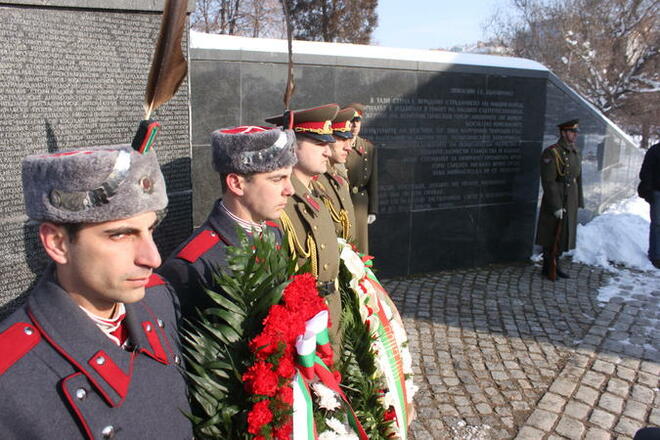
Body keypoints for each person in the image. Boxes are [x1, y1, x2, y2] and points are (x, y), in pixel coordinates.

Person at [0, 145, 192, 439]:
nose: (153, 259)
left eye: (150, 230)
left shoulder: (159, 298)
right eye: (121, 235)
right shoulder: (10, 376)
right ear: (57, 243)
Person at [159, 126, 297, 317]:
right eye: (277, 179)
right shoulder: (191, 264)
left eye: (289, 177)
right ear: (236, 183)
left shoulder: (274, 233)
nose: (290, 190)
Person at [265, 104, 343, 352]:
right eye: (320, 144)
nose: (328, 153)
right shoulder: (280, 206)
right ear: (293, 146)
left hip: (330, 310)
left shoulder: (316, 192)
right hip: (305, 329)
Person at [536, 119, 584, 280]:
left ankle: (556, 262)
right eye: (571, 132)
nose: (574, 135)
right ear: (563, 133)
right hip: (556, 196)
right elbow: (549, 181)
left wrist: (579, 200)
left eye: (575, 132)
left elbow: (578, 177)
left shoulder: (575, 151)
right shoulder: (552, 152)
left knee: (564, 234)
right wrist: (556, 205)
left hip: (570, 198)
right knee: (551, 233)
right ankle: (548, 266)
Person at [313, 106, 358, 241]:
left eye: (349, 140)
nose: (348, 147)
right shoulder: (316, 179)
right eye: (342, 139)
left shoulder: (337, 174)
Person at [345, 102, 378, 255]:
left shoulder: (368, 148)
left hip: (359, 204)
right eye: (351, 121)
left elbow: (373, 181)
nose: (354, 125)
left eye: (357, 121)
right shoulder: (337, 146)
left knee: (360, 250)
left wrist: (373, 209)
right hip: (341, 204)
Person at [638, 141, 660, 269]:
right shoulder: (655, 151)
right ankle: (656, 256)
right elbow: (646, 171)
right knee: (657, 224)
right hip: (657, 192)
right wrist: (649, 190)